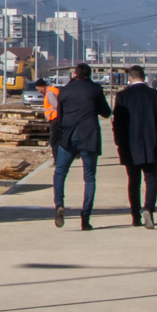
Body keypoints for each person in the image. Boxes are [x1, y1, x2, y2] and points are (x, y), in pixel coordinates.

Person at [47, 61, 106, 230]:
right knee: (89, 178)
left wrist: (56, 139)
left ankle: (59, 204)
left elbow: (59, 117)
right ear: (90, 75)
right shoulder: (95, 89)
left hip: (68, 137)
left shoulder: (64, 91)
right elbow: (106, 112)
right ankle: (85, 217)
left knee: (60, 172)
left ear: (74, 74)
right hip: (89, 137)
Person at [112, 67, 157, 227]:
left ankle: (135, 216)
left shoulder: (122, 96)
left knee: (134, 181)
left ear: (129, 78)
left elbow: (118, 123)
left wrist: (119, 142)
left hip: (130, 145)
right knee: (151, 179)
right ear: (144, 77)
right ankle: (149, 209)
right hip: (153, 143)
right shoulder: (156, 95)